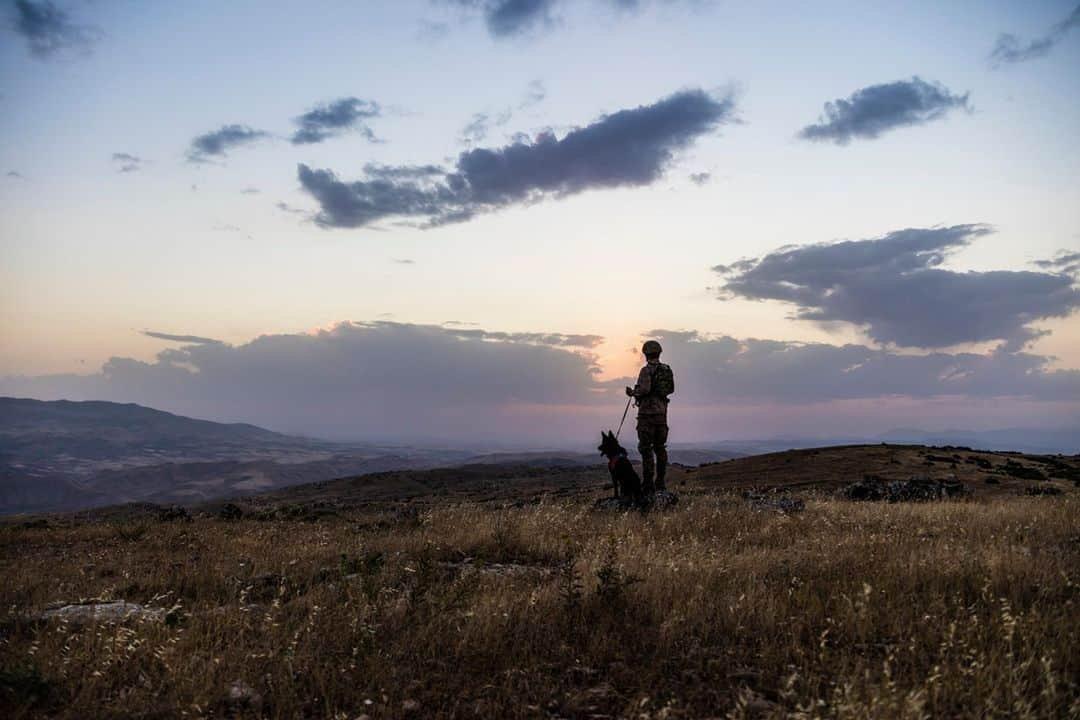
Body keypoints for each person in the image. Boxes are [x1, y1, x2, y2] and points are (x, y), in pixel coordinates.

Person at [625, 340, 674, 493]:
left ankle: (648, 485)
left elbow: (644, 390)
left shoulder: (646, 371)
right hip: (661, 415)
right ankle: (660, 483)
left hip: (647, 415)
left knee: (646, 449)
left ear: (646, 354)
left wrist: (633, 393)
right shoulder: (666, 370)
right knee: (660, 449)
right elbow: (670, 390)